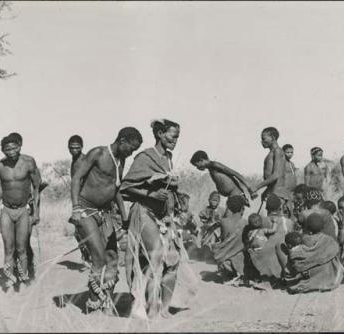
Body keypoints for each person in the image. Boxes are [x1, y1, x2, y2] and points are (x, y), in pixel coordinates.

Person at [70, 127, 142, 314]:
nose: (131, 153)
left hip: (106, 212)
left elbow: (115, 188)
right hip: (86, 210)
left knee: (112, 257)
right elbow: (77, 178)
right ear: (122, 141)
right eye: (131, 148)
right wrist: (76, 208)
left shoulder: (121, 159)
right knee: (99, 258)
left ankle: (107, 300)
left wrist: (124, 216)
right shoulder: (98, 153)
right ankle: (93, 304)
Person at [120, 119, 184, 319]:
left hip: (166, 217)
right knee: (154, 256)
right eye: (172, 136)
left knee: (173, 261)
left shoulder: (169, 158)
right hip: (145, 212)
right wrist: (151, 195)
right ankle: (149, 307)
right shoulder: (145, 157)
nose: (175, 141)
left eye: (178, 137)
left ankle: (163, 306)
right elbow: (125, 187)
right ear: (160, 134)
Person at [0, 134, 41, 288]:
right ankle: (10, 277)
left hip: (23, 210)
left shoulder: (29, 162)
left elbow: (37, 187)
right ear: (2, 150)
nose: (11, 151)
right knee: (8, 248)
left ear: (19, 146)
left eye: (14, 148)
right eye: (7, 149)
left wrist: (36, 212)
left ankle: (24, 278)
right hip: (7, 211)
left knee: (22, 247)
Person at [284, 213, 344, 294]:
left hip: (310, 277)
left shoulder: (303, 239)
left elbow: (297, 257)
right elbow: (336, 253)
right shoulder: (329, 240)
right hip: (330, 279)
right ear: (322, 227)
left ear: (307, 228)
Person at [190, 151, 256, 207]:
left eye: (197, 165)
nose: (197, 168)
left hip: (236, 195)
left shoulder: (214, 165)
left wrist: (249, 187)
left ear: (201, 160)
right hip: (232, 197)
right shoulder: (211, 169)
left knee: (227, 220)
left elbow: (234, 173)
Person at [250, 127, 290, 216]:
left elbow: (276, 175)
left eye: (264, 139)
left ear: (273, 137)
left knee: (276, 224)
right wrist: (267, 191)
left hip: (278, 194)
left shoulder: (278, 151)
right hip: (273, 193)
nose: (261, 141)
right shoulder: (272, 152)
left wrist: (257, 187)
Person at [66, 134, 92, 265]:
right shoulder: (74, 161)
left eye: (77, 147)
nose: (74, 150)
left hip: (87, 198)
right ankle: (86, 254)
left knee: (84, 229)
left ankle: (90, 256)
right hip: (79, 198)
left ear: (82, 147)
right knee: (78, 231)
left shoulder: (84, 160)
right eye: (71, 148)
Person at [211, 196, 248, 286]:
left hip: (226, 262)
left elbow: (225, 242)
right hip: (242, 262)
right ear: (242, 209)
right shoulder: (246, 223)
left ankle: (229, 274)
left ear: (230, 208)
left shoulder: (224, 222)